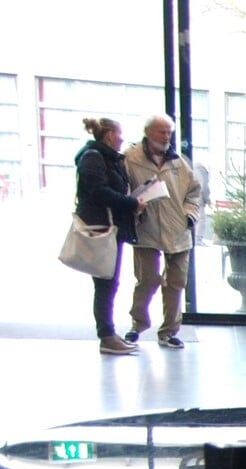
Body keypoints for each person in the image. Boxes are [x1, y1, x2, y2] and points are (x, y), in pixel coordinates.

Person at [123, 113, 201, 350]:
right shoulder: (130, 158)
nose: (166, 136)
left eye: (169, 132)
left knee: (176, 282)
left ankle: (169, 331)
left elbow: (194, 192)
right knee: (147, 280)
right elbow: (123, 189)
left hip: (178, 229)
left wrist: (190, 214)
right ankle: (137, 324)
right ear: (148, 132)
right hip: (146, 229)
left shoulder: (178, 162)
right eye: (162, 131)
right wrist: (133, 206)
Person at [74, 116, 146, 355]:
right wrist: (131, 203)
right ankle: (106, 335)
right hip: (102, 228)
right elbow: (98, 192)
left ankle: (109, 333)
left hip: (112, 228)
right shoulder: (93, 158)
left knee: (109, 283)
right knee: (105, 283)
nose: (122, 139)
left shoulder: (107, 158)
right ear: (109, 136)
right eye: (119, 134)